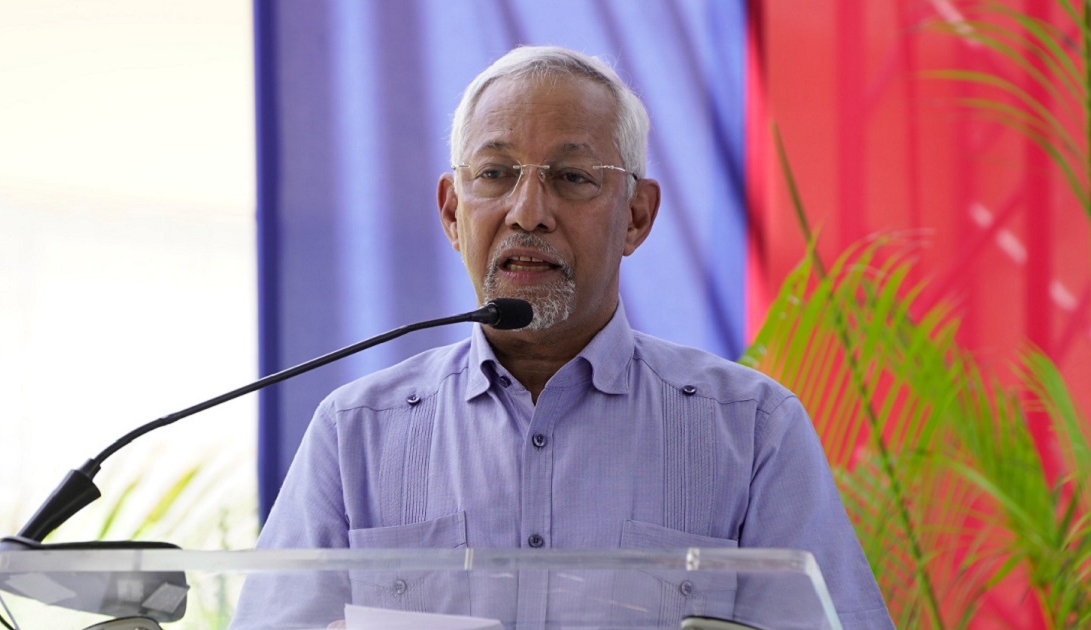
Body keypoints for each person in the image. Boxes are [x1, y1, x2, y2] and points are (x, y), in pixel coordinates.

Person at [233, 45, 893, 629]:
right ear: (451, 212)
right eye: (494, 174)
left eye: (572, 178)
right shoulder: (356, 433)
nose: (528, 212)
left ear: (637, 216)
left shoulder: (751, 431)